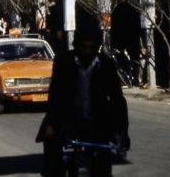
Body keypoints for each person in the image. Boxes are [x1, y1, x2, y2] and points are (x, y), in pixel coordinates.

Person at [35, 32, 129, 177]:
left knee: (104, 163)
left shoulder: (106, 64)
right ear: (76, 46)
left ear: (98, 47)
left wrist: (122, 132)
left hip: (97, 121)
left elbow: (117, 99)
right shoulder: (63, 61)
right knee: (52, 153)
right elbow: (56, 94)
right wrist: (52, 124)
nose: (88, 51)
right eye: (84, 47)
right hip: (67, 119)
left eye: (92, 48)